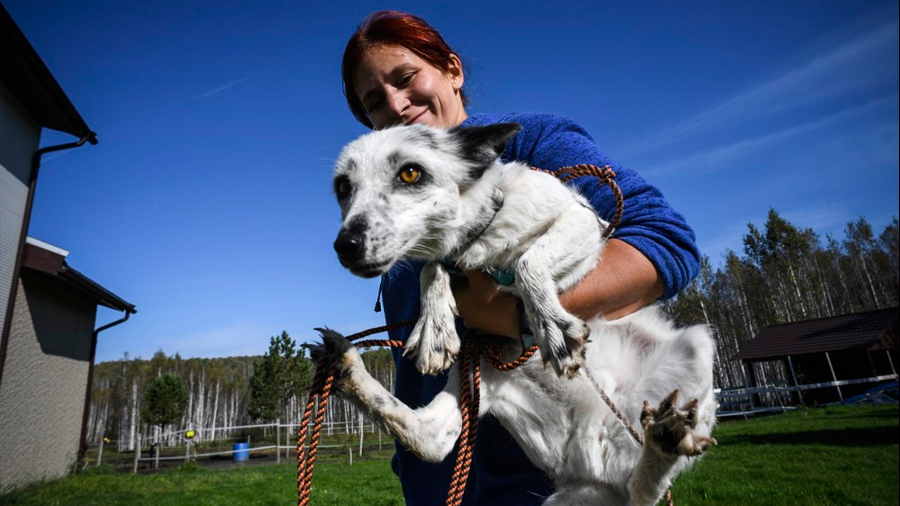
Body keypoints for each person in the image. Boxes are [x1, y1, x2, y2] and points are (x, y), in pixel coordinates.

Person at [340, 10, 700, 505]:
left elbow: (666, 241)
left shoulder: (530, 143)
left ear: (452, 69)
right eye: (374, 102)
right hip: (438, 492)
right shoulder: (393, 219)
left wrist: (518, 314)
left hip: (554, 483)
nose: (397, 105)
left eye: (406, 79)